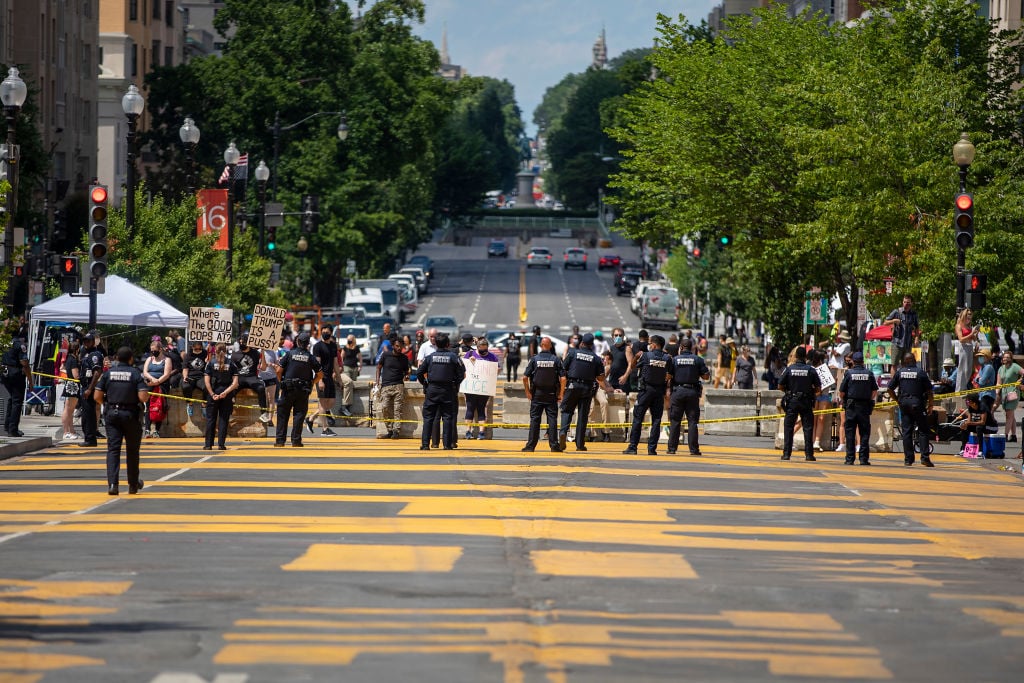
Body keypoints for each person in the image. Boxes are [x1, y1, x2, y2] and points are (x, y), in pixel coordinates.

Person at [94, 346, 149, 495]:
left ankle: (113, 485)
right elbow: (143, 397)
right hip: (130, 414)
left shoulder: (108, 374)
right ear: (131, 359)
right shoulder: (136, 374)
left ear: (116, 358)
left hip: (112, 414)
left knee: (113, 450)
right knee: (132, 451)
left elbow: (97, 396)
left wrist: (107, 404)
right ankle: (133, 484)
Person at [621, 334, 672, 455]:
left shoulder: (645, 355)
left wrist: (636, 357)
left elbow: (633, 367)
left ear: (654, 345)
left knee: (638, 418)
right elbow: (669, 375)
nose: (648, 345)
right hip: (659, 391)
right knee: (656, 420)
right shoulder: (667, 358)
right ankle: (652, 449)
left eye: (650, 343)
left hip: (645, 390)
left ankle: (633, 447)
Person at [557, 333, 608, 452]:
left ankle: (563, 432)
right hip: (587, 388)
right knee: (582, 416)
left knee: (567, 411)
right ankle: (580, 444)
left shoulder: (573, 353)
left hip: (572, 385)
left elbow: (563, 369)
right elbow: (600, 379)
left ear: (581, 343)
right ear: (592, 345)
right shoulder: (596, 358)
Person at [417, 333, 465, 450]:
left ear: (436, 344)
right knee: (448, 417)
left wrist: (426, 384)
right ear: (448, 344)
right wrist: (455, 383)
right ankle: (447, 445)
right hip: (448, 390)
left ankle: (425, 445)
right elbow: (462, 373)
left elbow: (419, 372)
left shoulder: (430, 357)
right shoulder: (454, 357)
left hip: (432, 390)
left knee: (428, 418)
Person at [887, 353, 935, 467]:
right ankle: (925, 458)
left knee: (907, 432)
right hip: (917, 404)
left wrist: (897, 400)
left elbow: (889, 389)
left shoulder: (900, 372)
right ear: (914, 360)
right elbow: (929, 390)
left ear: (904, 361)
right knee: (923, 431)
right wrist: (931, 405)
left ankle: (908, 459)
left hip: (904, 404)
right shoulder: (920, 372)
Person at [275, 332, 322, 447]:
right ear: (307, 344)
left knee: (282, 414)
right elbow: (320, 374)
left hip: (288, 389)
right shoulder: (310, 358)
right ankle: (296, 440)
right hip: (303, 390)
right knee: (299, 415)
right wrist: (311, 383)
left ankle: (280, 441)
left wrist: (282, 382)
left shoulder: (289, 354)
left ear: (297, 342)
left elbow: (278, 371)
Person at [666, 337, 710, 455]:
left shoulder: (675, 360)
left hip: (678, 392)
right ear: (691, 348)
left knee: (675, 421)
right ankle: (694, 450)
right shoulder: (698, 359)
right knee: (692, 422)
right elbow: (706, 376)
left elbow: (668, 377)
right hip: (692, 392)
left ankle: (672, 448)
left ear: (680, 347)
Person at [521, 336, 565, 452]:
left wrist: (527, 392)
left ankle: (531, 446)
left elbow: (525, 378)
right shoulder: (556, 360)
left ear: (541, 345)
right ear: (550, 346)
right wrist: (561, 394)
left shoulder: (534, 359)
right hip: (551, 394)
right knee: (552, 420)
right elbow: (563, 379)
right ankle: (554, 446)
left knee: (535, 420)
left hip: (537, 394)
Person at [778, 346, 822, 462]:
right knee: (808, 428)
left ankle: (786, 454)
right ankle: (809, 455)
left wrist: (788, 392)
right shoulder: (811, 370)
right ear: (805, 357)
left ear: (796, 356)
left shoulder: (789, 369)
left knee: (788, 427)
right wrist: (811, 393)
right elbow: (818, 389)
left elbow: (780, 385)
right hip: (806, 401)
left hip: (792, 401)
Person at [838, 351, 878, 465]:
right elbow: (874, 391)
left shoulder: (849, 374)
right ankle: (863, 459)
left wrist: (845, 399)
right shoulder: (869, 373)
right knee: (864, 433)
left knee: (850, 432)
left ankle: (850, 459)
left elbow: (841, 392)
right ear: (863, 361)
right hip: (864, 407)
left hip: (851, 406)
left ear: (853, 362)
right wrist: (868, 399)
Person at [202, 343, 239, 450]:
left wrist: (212, 394)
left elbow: (206, 381)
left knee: (210, 419)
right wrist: (225, 393)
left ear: (215, 351)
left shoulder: (210, 363)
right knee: (223, 419)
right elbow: (235, 383)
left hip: (213, 393)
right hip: (226, 394)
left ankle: (208, 444)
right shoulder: (231, 364)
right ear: (226, 351)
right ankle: (221, 444)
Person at [230, 332, 271, 426]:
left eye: (243, 342)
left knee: (261, 388)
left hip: (252, 377)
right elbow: (231, 371)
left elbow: (263, 368)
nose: (241, 344)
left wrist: (263, 352)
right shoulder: (235, 355)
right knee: (231, 390)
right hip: (239, 377)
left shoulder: (256, 353)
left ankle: (263, 413)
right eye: (240, 342)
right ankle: (229, 413)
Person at [463, 337, 499, 439]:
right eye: (482, 349)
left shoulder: (492, 357)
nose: (484, 351)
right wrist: (471, 362)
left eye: (485, 348)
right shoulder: (470, 354)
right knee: (470, 408)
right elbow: (462, 367)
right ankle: (468, 431)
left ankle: (481, 432)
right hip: (471, 387)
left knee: (482, 409)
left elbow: (497, 369)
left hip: (484, 387)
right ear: (477, 347)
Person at [375, 336, 410, 439]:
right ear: (393, 346)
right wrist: (377, 382)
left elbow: (406, 371)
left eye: (401, 346)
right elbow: (378, 368)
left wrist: (406, 376)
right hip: (386, 386)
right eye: (397, 346)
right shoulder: (386, 355)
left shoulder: (404, 358)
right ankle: (390, 429)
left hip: (398, 386)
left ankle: (396, 431)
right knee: (384, 408)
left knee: (397, 410)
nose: (399, 348)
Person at [308, 326, 339, 435]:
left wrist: (339, 378)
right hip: (321, 377)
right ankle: (325, 429)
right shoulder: (317, 346)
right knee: (322, 404)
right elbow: (317, 365)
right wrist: (320, 380)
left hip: (330, 377)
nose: (325, 333)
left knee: (331, 402)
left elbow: (335, 363)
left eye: (327, 332)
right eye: (323, 332)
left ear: (331, 334)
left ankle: (311, 418)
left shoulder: (333, 346)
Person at [78, 333, 106, 447]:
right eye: (84, 341)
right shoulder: (86, 354)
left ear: (93, 342)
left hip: (90, 387)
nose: (85, 343)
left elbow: (97, 372)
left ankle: (90, 438)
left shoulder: (95, 354)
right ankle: (88, 437)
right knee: (85, 414)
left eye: (88, 341)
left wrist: (90, 389)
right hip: (85, 386)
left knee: (89, 414)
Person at [142, 338, 173, 438]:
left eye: (154, 350)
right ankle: (147, 429)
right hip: (150, 384)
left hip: (162, 385)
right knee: (148, 406)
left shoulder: (167, 360)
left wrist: (158, 381)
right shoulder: (149, 359)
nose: (153, 352)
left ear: (160, 349)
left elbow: (167, 374)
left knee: (160, 407)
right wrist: (152, 380)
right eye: (151, 350)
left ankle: (156, 430)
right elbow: (145, 372)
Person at [1, 337, 31, 436]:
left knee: (12, 399)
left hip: (4, 372)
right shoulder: (19, 344)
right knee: (17, 401)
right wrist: (31, 381)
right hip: (15, 373)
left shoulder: (4, 342)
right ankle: (13, 429)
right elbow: (25, 363)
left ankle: (7, 425)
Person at [996, 351, 1023, 443]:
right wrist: (997, 393)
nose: (1005, 359)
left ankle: (1005, 435)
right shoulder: (1001, 369)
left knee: (1008, 415)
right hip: (1004, 394)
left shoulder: (1014, 366)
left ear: (1011, 359)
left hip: (1013, 393)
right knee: (1011, 416)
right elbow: (999, 382)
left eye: (1008, 357)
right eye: (1004, 357)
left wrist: (1020, 380)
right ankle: (1014, 435)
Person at [885, 295, 920, 365]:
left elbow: (917, 327)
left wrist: (916, 338)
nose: (906, 304)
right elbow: (885, 322)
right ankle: (894, 376)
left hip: (908, 344)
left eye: (908, 302)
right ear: (902, 302)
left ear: (911, 303)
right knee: (894, 364)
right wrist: (894, 320)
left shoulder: (913, 314)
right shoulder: (896, 312)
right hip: (896, 343)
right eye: (904, 302)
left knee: (906, 365)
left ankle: (904, 376)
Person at [180, 341, 209, 418]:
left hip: (201, 377)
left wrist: (208, 359)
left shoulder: (205, 353)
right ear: (192, 347)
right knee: (185, 386)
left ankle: (204, 405)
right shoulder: (188, 355)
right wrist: (185, 376)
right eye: (195, 348)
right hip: (190, 376)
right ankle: (189, 404)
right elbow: (185, 368)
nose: (197, 350)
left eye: (199, 348)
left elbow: (210, 364)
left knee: (208, 386)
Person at [60, 339, 82, 440]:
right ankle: (66, 432)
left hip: (72, 385)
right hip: (73, 385)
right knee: (68, 409)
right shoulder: (72, 360)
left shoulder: (70, 358)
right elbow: (75, 375)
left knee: (71, 410)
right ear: (77, 350)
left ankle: (71, 430)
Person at [337, 333, 362, 417]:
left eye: (351, 339)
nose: (349, 341)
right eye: (348, 339)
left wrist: (360, 366)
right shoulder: (345, 347)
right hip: (346, 366)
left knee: (353, 384)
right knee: (348, 382)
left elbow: (360, 357)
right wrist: (341, 366)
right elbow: (341, 357)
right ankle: (345, 406)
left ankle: (348, 405)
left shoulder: (356, 348)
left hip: (354, 367)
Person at [954, 308, 979, 392]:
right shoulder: (959, 326)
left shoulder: (969, 326)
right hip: (963, 346)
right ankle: (959, 389)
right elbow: (961, 339)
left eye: (971, 315)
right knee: (962, 368)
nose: (970, 316)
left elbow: (973, 337)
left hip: (969, 346)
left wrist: (976, 338)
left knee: (968, 369)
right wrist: (971, 334)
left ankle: (963, 387)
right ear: (964, 315)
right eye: (968, 314)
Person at [972, 348, 997, 416]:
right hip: (982, 394)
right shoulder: (982, 367)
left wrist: (979, 379)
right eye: (979, 356)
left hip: (988, 394)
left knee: (986, 415)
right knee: (984, 414)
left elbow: (982, 382)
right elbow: (975, 380)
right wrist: (979, 379)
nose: (980, 358)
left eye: (981, 356)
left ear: (987, 357)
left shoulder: (988, 367)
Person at [607, 328, 629, 392]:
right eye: (616, 335)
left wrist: (625, 376)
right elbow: (608, 365)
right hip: (612, 381)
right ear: (612, 337)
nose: (618, 337)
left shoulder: (627, 348)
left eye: (620, 335)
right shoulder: (611, 348)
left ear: (623, 336)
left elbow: (631, 364)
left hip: (622, 382)